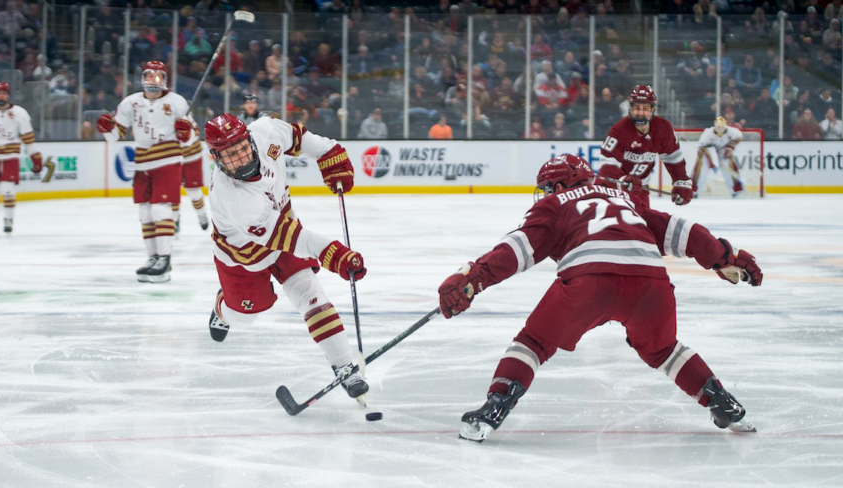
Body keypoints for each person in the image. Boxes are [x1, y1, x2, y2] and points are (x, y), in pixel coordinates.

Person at [437, 154, 761, 442]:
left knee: (533, 343)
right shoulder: (626, 199)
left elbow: (515, 250)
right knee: (663, 349)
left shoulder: (554, 205)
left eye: (548, 187)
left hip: (590, 282)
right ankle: (721, 401)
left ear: (560, 185)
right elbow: (681, 231)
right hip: (651, 282)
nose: (545, 194)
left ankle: (495, 408)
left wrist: (472, 278)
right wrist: (724, 257)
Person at [202, 113, 369, 402]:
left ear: (249, 139)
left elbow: (301, 138)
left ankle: (344, 366)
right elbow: (293, 238)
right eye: (230, 155)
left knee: (309, 290)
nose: (241, 158)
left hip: (282, 226)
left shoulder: (266, 130)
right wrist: (334, 254)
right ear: (216, 158)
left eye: (242, 147)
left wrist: (329, 154)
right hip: (243, 256)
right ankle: (222, 308)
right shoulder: (233, 197)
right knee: (245, 317)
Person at [97, 61, 192, 283]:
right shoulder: (130, 102)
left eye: (158, 76)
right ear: (143, 78)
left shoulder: (177, 102)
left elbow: (189, 137)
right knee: (146, 213)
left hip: (168, 158)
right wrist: (105, 129)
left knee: (160, 209)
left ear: (165, 79)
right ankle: (153, 258)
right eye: (149, 76)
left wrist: (185, 133)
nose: (153, 80)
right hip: (142, 162)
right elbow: (115, 134)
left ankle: (165, 258)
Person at [598, 85, 693, 206]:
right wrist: (623, 181)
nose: (640, 113)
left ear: (652, 109)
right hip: (613, 190)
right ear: (630, 108)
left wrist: (681, 180)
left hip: (640, 189)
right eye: (637, 108)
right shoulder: (619, 131)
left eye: (645, 108)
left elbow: (673, 157)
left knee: (644, 223)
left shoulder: (663, 128)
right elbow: (606, 167)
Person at [0, 81, 42, 235]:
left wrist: (35, 157)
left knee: (7, 190)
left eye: (4, 93)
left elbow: (28, 139)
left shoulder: (20, 113)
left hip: (10, 156)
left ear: (9, 95)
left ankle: (8, 220)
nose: (1, 96)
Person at [173, 115, 210, 232]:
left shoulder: (183, 113)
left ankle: (201, 214)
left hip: (192, 157)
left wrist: (187, 135)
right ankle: (174, 219)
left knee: (194, 191)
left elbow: (196, 130)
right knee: (171, 191)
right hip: (172, 158)